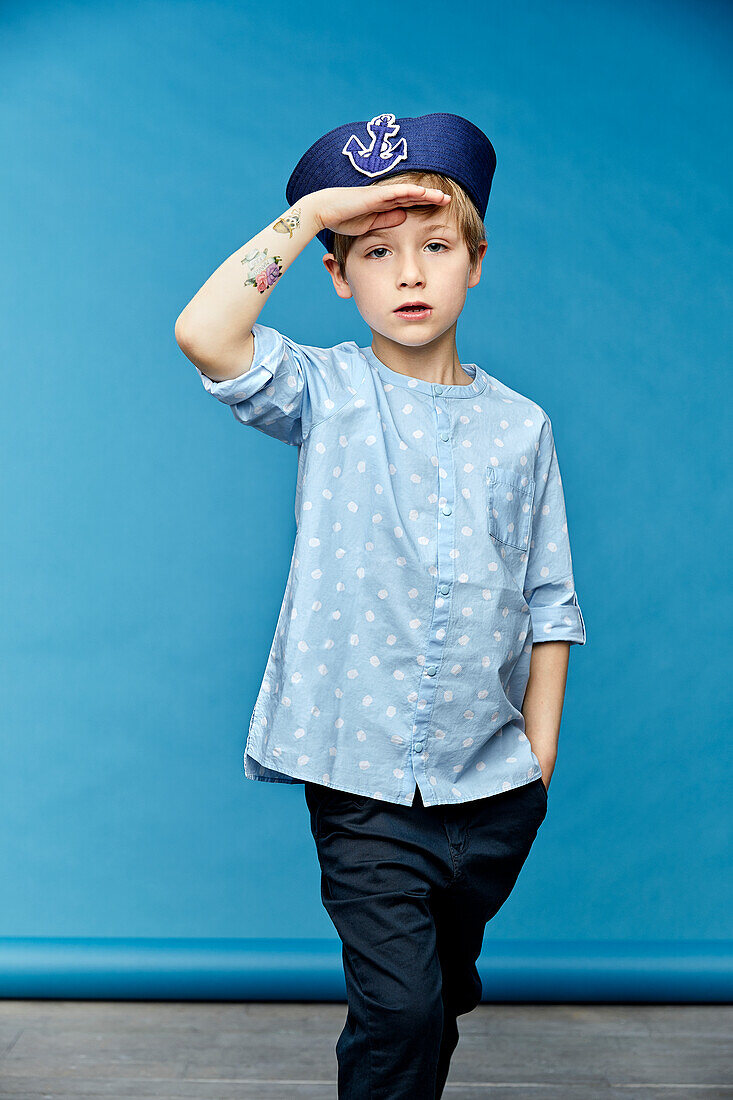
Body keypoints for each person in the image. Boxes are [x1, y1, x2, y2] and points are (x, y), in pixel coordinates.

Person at [175, 110, 587, 1099]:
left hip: (491, 784)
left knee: (430, 993)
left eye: (434, 247)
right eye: (375, 251)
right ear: (337, 275)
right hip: (360, 780)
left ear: (474, 263)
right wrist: (312, 211)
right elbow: (205, 331)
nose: (408, 274)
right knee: (397, 1008)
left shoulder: (521, 428)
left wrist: (539, 753)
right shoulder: (325, 390)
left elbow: (550, 596)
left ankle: (435, 991)